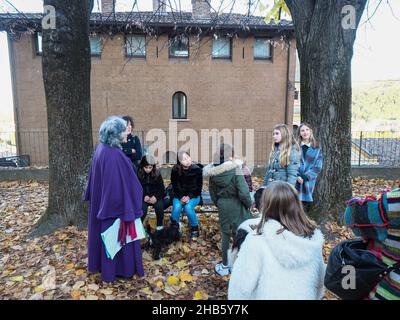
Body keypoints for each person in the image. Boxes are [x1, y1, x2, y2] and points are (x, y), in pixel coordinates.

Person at [228, 181, 325, 300]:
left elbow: (240, 290)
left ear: (266, 205)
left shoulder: (256, 240)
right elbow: (319, 282)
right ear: (296, 203)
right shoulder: (312, 238)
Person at [84, 116, 144, 282]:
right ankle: (119, 270)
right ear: (116, 134)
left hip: (103, 203)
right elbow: (120, 185)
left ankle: (104, 266)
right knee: (115, 239)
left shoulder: (101, 149)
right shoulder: (114, 155)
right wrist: (128, 206)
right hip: (115, 208)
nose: (127, 133)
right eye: (124, 130)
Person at [203, 144, 253, 276]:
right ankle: (243, 263)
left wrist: (219, 203)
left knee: (225, 234)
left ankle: (225, 265)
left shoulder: (213, 173)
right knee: (242, 232)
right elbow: (244, 192)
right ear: (230, 155)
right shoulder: (236, 169)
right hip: (237, 205)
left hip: (223, 205)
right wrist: (248, 204)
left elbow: (212, 193)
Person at [255, 124, 301, 209]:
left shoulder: (292, 152)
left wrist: (287, 194)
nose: (274, 136)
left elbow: (292, 175)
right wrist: (263, 187)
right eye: (273, 134)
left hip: (281, 191)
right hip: (271, 189)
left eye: (277, 133)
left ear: (284, 134)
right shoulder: (275, 150)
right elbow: (269, 172)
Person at [170, 151, 203, 238]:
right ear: (179, 162)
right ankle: (174, 229)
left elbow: (198, 188)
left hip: (194, 195)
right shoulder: (175, 170)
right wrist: (181, 197)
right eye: (184, 159)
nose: (187, 160)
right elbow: (175, 186)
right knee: (177, 207)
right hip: (178, 195)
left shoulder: (197, 170)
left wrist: (189, 197)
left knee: (188, 207)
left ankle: (195, 228)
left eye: (188, 157)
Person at [295, 122, 323, 212]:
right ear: (299, 133)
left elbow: (317, 167)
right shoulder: (295, 147)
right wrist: (297, 175)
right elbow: (291, 163)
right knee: (293, 205)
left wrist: (305, 177)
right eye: (302, 130)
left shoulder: (316, 148)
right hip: (295, 180)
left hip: (308, 181)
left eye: (307, 130)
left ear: (311, 132)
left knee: (304, 208)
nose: (305, 132)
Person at [137, 154, 165, 230]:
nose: (148, 169)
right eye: (146, 167)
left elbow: (161, 188)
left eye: (150, 167)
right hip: (143, 197)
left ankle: (159, 226)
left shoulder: (157, 173)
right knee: (142, 209)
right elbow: (137, 188)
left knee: (159, 207)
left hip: (155, 196)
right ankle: (139, 227)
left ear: (153, 166)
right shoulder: (138, 173)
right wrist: (143, 196)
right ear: (142, 166)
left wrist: (156, 197)